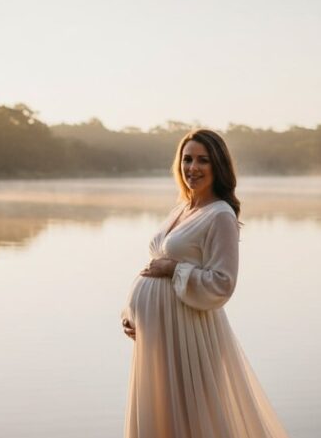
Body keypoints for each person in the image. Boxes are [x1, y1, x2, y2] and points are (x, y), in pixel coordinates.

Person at [121, 129, 289, 438]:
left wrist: (175, 269)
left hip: (189, 335)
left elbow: (223, 283)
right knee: (162, 419)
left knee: (193, 422)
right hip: (159, 335)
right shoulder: (182, 209)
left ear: (218, 166)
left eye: (203, 160)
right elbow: (152, 266)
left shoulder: (220, 215)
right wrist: (131, 313)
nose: (192, 168)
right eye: (187, 159)